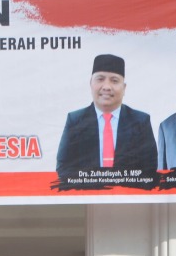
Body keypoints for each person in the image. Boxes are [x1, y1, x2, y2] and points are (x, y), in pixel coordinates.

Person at [55, 53, 158, 183]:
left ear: (124, 88)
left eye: (114, 81)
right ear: (90, 84)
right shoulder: (76, 120)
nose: (107, 87)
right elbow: (63, 168)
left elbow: (150, 169)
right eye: (100, 79)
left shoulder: (140, 121)